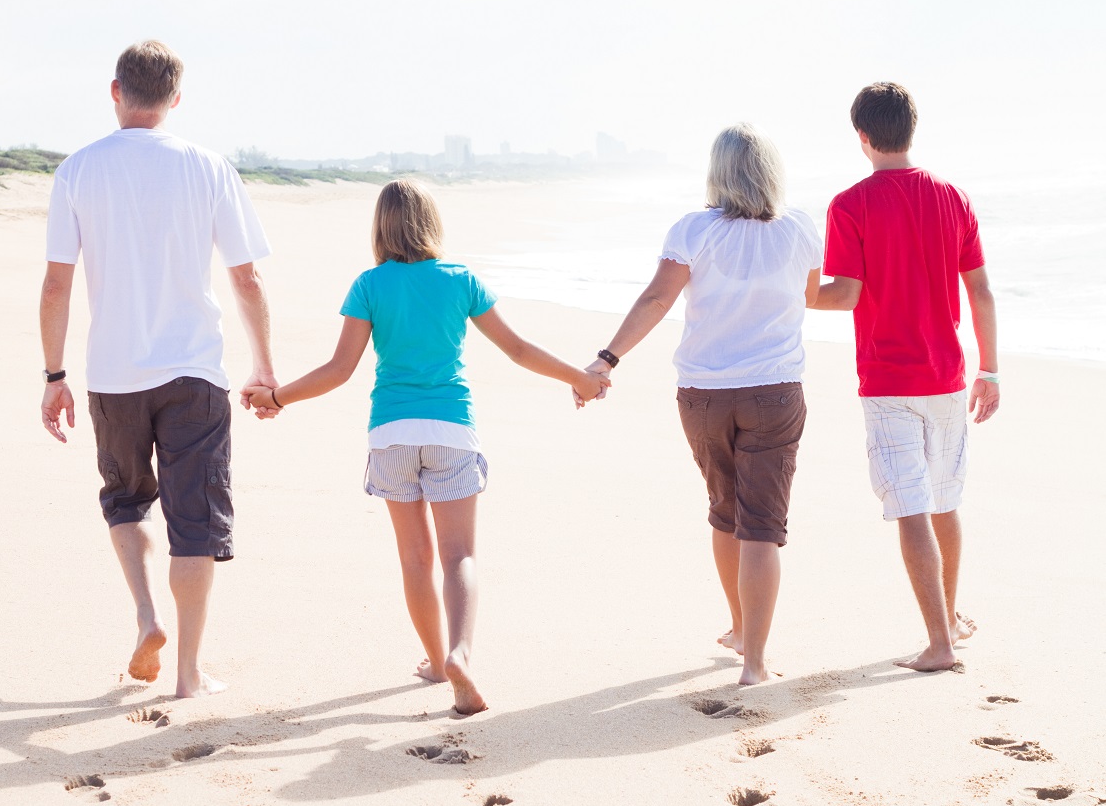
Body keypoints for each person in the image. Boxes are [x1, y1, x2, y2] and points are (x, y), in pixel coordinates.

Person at [243, 179, 608, 714]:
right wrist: (580, 378)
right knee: (460, 554)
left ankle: (437, 662)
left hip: (391, 433)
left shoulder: (369, 285)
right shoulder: (460, 280)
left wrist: (277, 397)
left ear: (381, 227)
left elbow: (339, 369)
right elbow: (516, 348)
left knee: (415, 558)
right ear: (432, 223)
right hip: (450, 430)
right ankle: (460, 653)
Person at [38, 40, 278, 698]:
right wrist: (263, 368)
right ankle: (188, 676)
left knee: (125, 500)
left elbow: (57, 285)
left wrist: (54, 377)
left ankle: (147, 616)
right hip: (194, 370)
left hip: (113, 375)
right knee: (194, 521)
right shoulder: (208, 166)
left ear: (116, 91)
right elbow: (247, 279)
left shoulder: (78, 170)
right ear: (175, 98)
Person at [584, 124, 822, 685]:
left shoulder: (693, 229)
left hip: (704, 396)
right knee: (762, 526)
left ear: (718, 172)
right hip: (774, 391)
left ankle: (739, 628)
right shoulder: (798, 229)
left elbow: (657, 299)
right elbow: (810, 296)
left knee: (725, 510)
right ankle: (755, 664)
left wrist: (607, 360)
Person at [811, 82, 999, 672]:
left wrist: (795, 289)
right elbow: (981, 291)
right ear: (910, 130)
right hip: (948, 375)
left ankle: (939, 644)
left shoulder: (850, 204)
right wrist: (991, 369)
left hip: (889, 381)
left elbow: (844, 295)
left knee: (912, 508)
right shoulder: (952, 196)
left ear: (862, 137)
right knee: (944, 501)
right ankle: (953, 619)